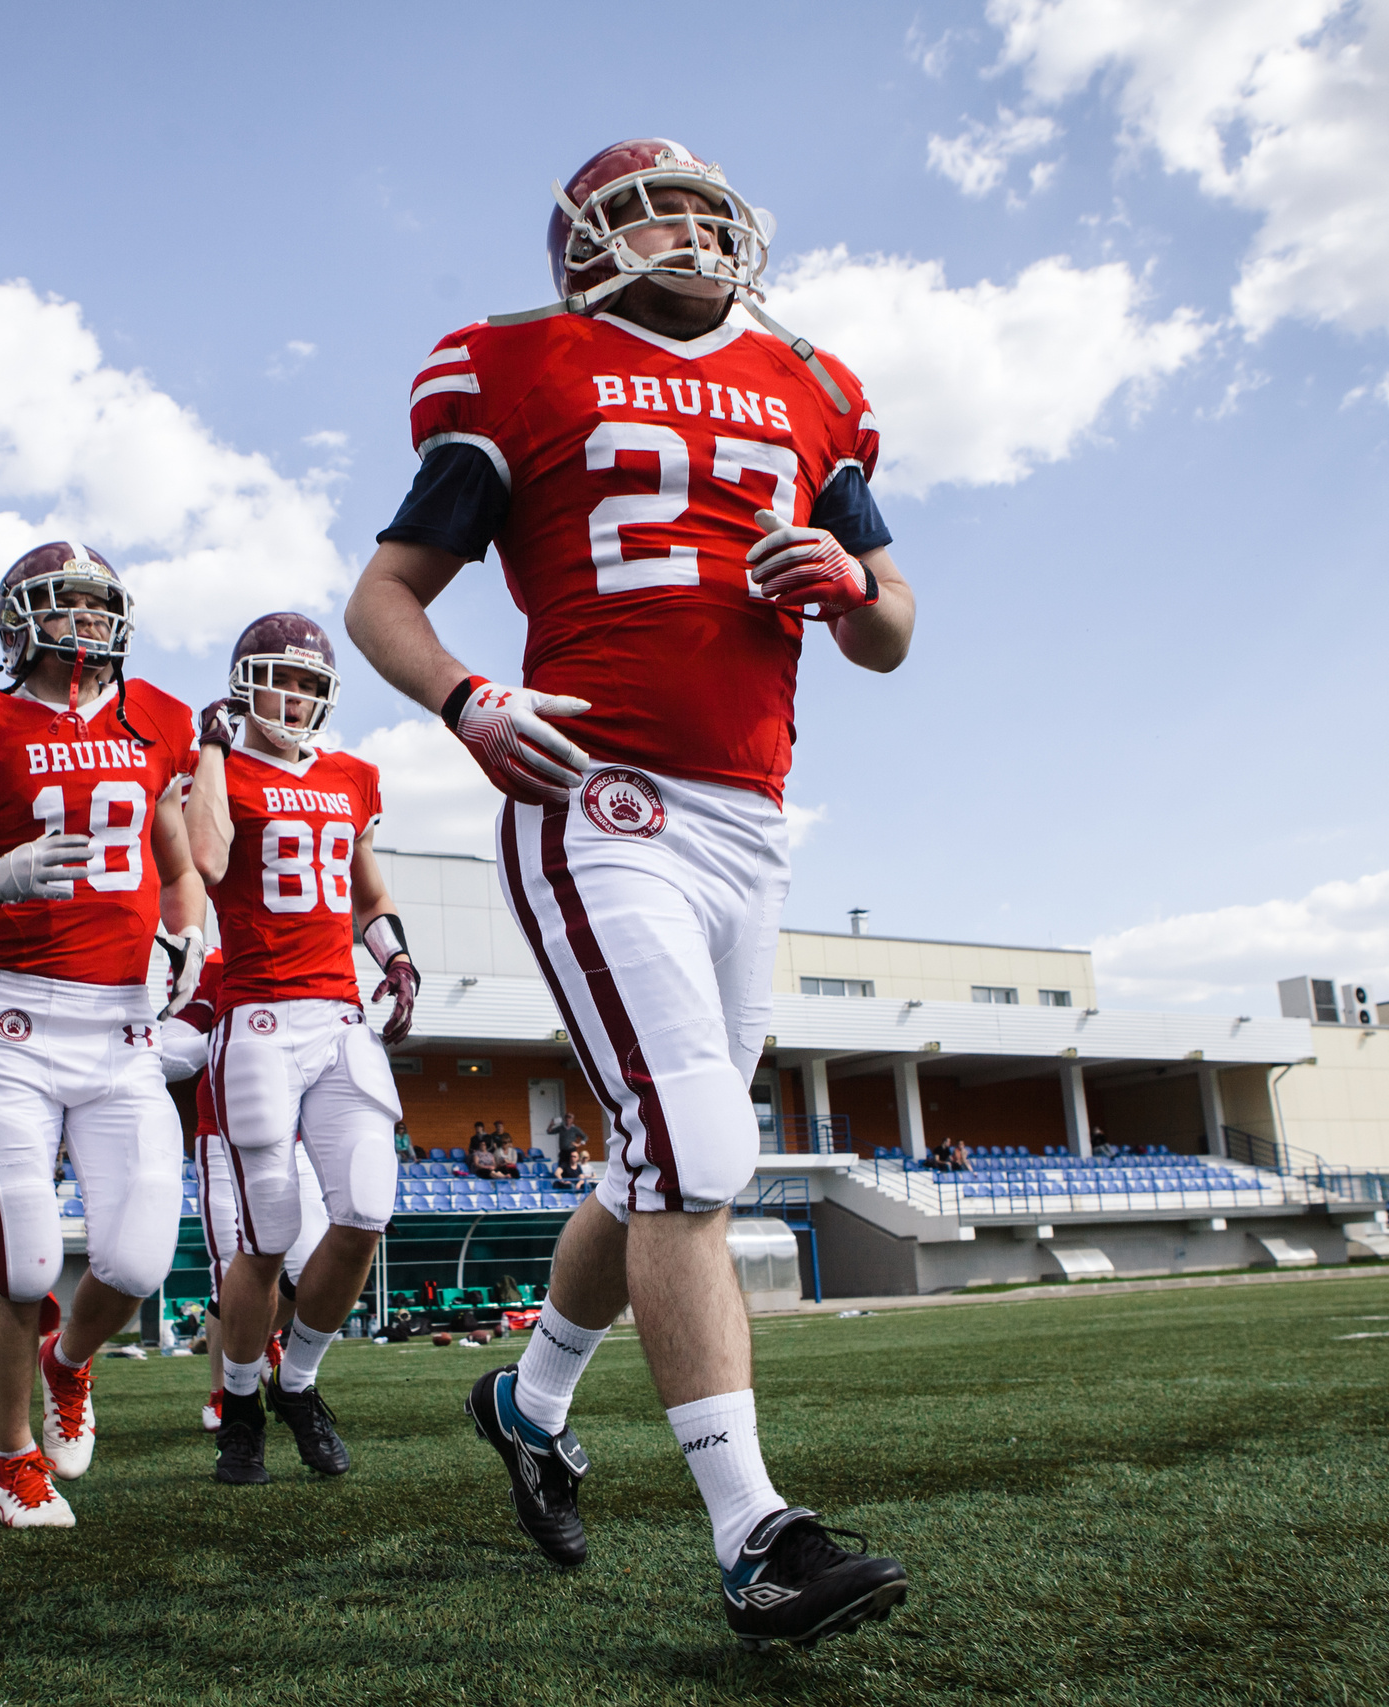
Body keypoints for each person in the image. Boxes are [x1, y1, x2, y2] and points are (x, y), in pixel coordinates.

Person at [344, 138, 914, 1646]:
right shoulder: (517, 365)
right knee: (700, 1150)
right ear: (587, 241)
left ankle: (528, 1403)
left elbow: (893, 629)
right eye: (658, 211)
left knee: (658, 1156)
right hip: (602, 800)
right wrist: (467, 700)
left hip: (752, 820)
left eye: (711, 211)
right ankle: (753, 1533)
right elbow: (384, 595)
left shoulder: (810, 383)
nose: (693, 233)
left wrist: (853, 588)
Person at [0, 540, 206, 1530]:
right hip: (18, 1022)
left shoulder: (157, 717)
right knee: (25, 1265)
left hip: (122, 1024)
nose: (86, 620)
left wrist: (186, 939)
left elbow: (178, 865)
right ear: (18, 619)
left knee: (138, 1264)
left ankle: (67, 1362)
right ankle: (12, 1456)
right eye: (64, 603)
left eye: (97, 603)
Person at [185, 612, 419, 1485]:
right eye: (282, 680)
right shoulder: (219, 768)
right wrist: (213, 751)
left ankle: (300, 1381)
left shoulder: (353, 775)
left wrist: (396, 960)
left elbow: (370, 896)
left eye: (312, 684)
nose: (296, 697)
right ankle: (241, 1401)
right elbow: (208, 859)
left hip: (340, 1018)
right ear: (244, 684)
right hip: (258, 1019)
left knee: (365, 1212)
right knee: (268, 1235)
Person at [157, 949, 328, 1444]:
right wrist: (223, 1037)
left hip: (293, 1136)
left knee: (314, 1268)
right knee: (232, 1269)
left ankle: (262, 1335)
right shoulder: (218, 963)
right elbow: (174, 1043)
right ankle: (223, 1391)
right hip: (223, 1132)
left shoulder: (306, 952)